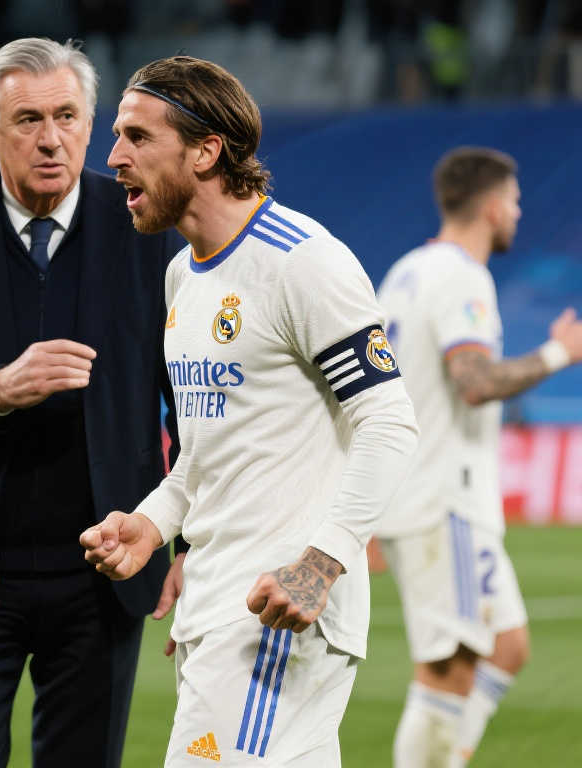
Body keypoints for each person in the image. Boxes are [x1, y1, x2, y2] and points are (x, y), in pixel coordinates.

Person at [81, 56, 421, 767]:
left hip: (277, 612)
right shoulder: (183, 274)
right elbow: (208, 452)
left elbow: (389, 422)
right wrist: (152, 522)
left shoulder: (302, 262)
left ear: (206, 151)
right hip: (216, 608)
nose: (113, 159)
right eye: (116, 137)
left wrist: (320, 564)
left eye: (138, 137)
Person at [0, 37, 184, 768]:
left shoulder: (146, 230)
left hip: (104, 570)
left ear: (91, 124)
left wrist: (186, 540)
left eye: (66, 116)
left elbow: (190, 397)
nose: (50, 139)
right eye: (28, 119)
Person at [375, 147, 582, 767]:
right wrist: (558, 354)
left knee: (507, 645)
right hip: (445, 499)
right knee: (448, 670)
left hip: (423, 490)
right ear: (491, 206)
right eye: (514, 201)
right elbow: (474, 380)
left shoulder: (407, 271)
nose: (518, 212)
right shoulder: (463, 275)